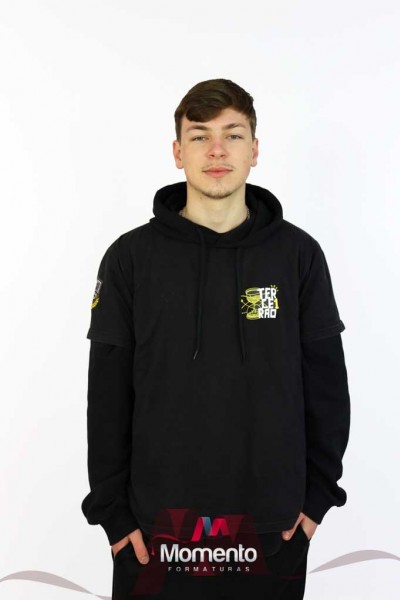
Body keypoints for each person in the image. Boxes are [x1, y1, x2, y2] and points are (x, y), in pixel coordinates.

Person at [81, 78, 351, 599]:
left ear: (255, 150)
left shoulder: (298, 256)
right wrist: (114, 518)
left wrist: (316, 502)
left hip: (272, 532)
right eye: (200, 136)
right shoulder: (129, 259)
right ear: (178, 152)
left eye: (233, 134)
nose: (217, 150)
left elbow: (327, 389)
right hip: (156, 536)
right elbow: (107, 397)